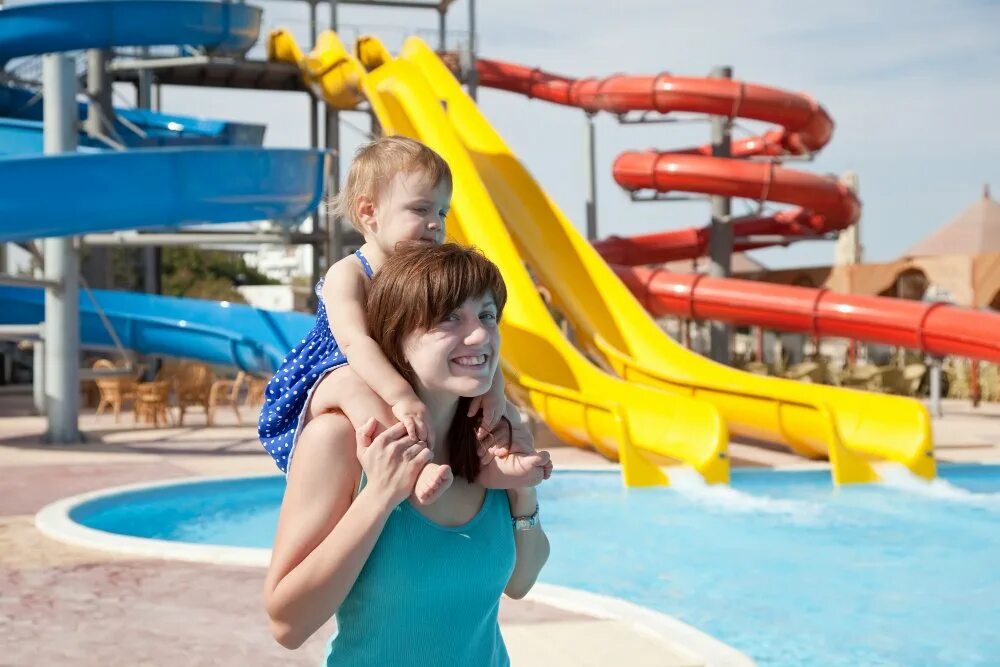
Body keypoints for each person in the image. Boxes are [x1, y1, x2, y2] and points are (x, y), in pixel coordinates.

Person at [263, 243, 552, 665]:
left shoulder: (487, 438)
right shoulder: (341, 441)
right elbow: (287, 626)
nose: (478, 335)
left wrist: (523, 492)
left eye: (487, 316)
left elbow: (521, 582)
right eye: (450, 318)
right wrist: (379, 496)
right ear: (396, 333)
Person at [258, 136, 547, 505]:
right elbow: (355, 344)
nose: (434, 224)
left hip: (400, 371)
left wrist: (495, 388)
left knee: (491, 402)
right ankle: (413, 464)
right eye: (420, 210)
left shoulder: (428, 274)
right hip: (342, 371)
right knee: (357, 390)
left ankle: (495, 462)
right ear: (368, 212)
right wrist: (401, 397)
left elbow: (475, 334)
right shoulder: (349, 274)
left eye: (441, 213)